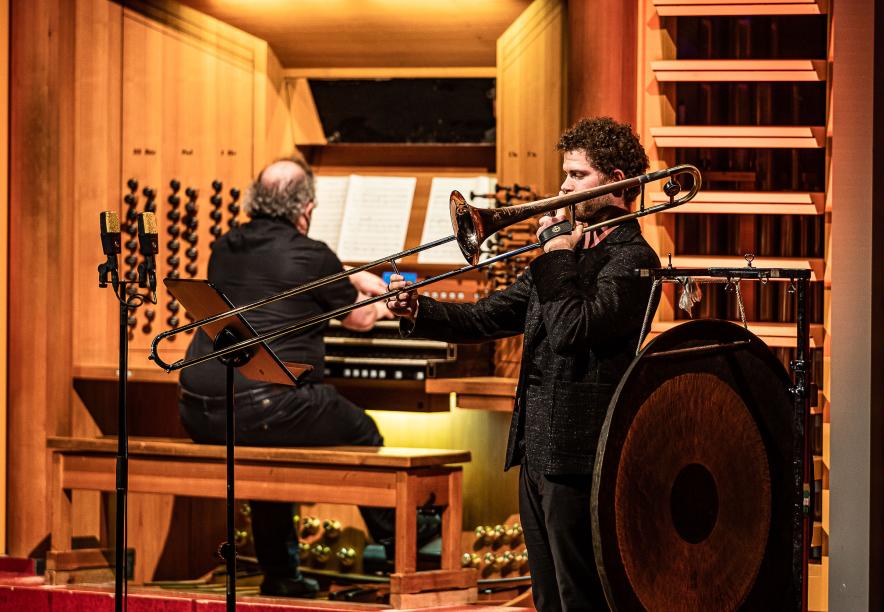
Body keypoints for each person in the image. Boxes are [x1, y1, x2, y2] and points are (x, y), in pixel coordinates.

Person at [387, 117, 659, 612]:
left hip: (580, 454)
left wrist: (556, 255)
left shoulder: (632, 259)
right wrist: (418, 309)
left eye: (578, 175)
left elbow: (575, 331)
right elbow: (488, 316)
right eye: (565, 173)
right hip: (536, 450)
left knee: (582, 595)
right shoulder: (566, 251)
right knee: (547, 596)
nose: (564, 186)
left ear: (617, 181)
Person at [177, 156, 394, 598]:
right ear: (307, 209)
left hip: (196, 407)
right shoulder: (312, 254)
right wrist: (389, 298)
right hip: (265, 405)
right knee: (363, 430)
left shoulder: (225, 246)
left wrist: (349, 278)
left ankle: (282, 573)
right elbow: (359, 319)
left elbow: (274, 281)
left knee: (266, 449)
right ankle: (401, 555)